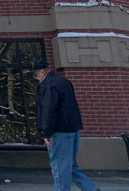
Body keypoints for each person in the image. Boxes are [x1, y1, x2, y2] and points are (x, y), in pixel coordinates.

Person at [32, 60, 99, 191]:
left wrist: (46, 132)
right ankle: (90, 188)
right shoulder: (64, 82)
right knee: (69, 165)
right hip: (72, 129)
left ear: (42, 72)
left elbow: (48, 110)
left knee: (60, 169)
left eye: (36, 75)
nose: (36, 79)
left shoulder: (49, 85)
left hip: (59, 132)